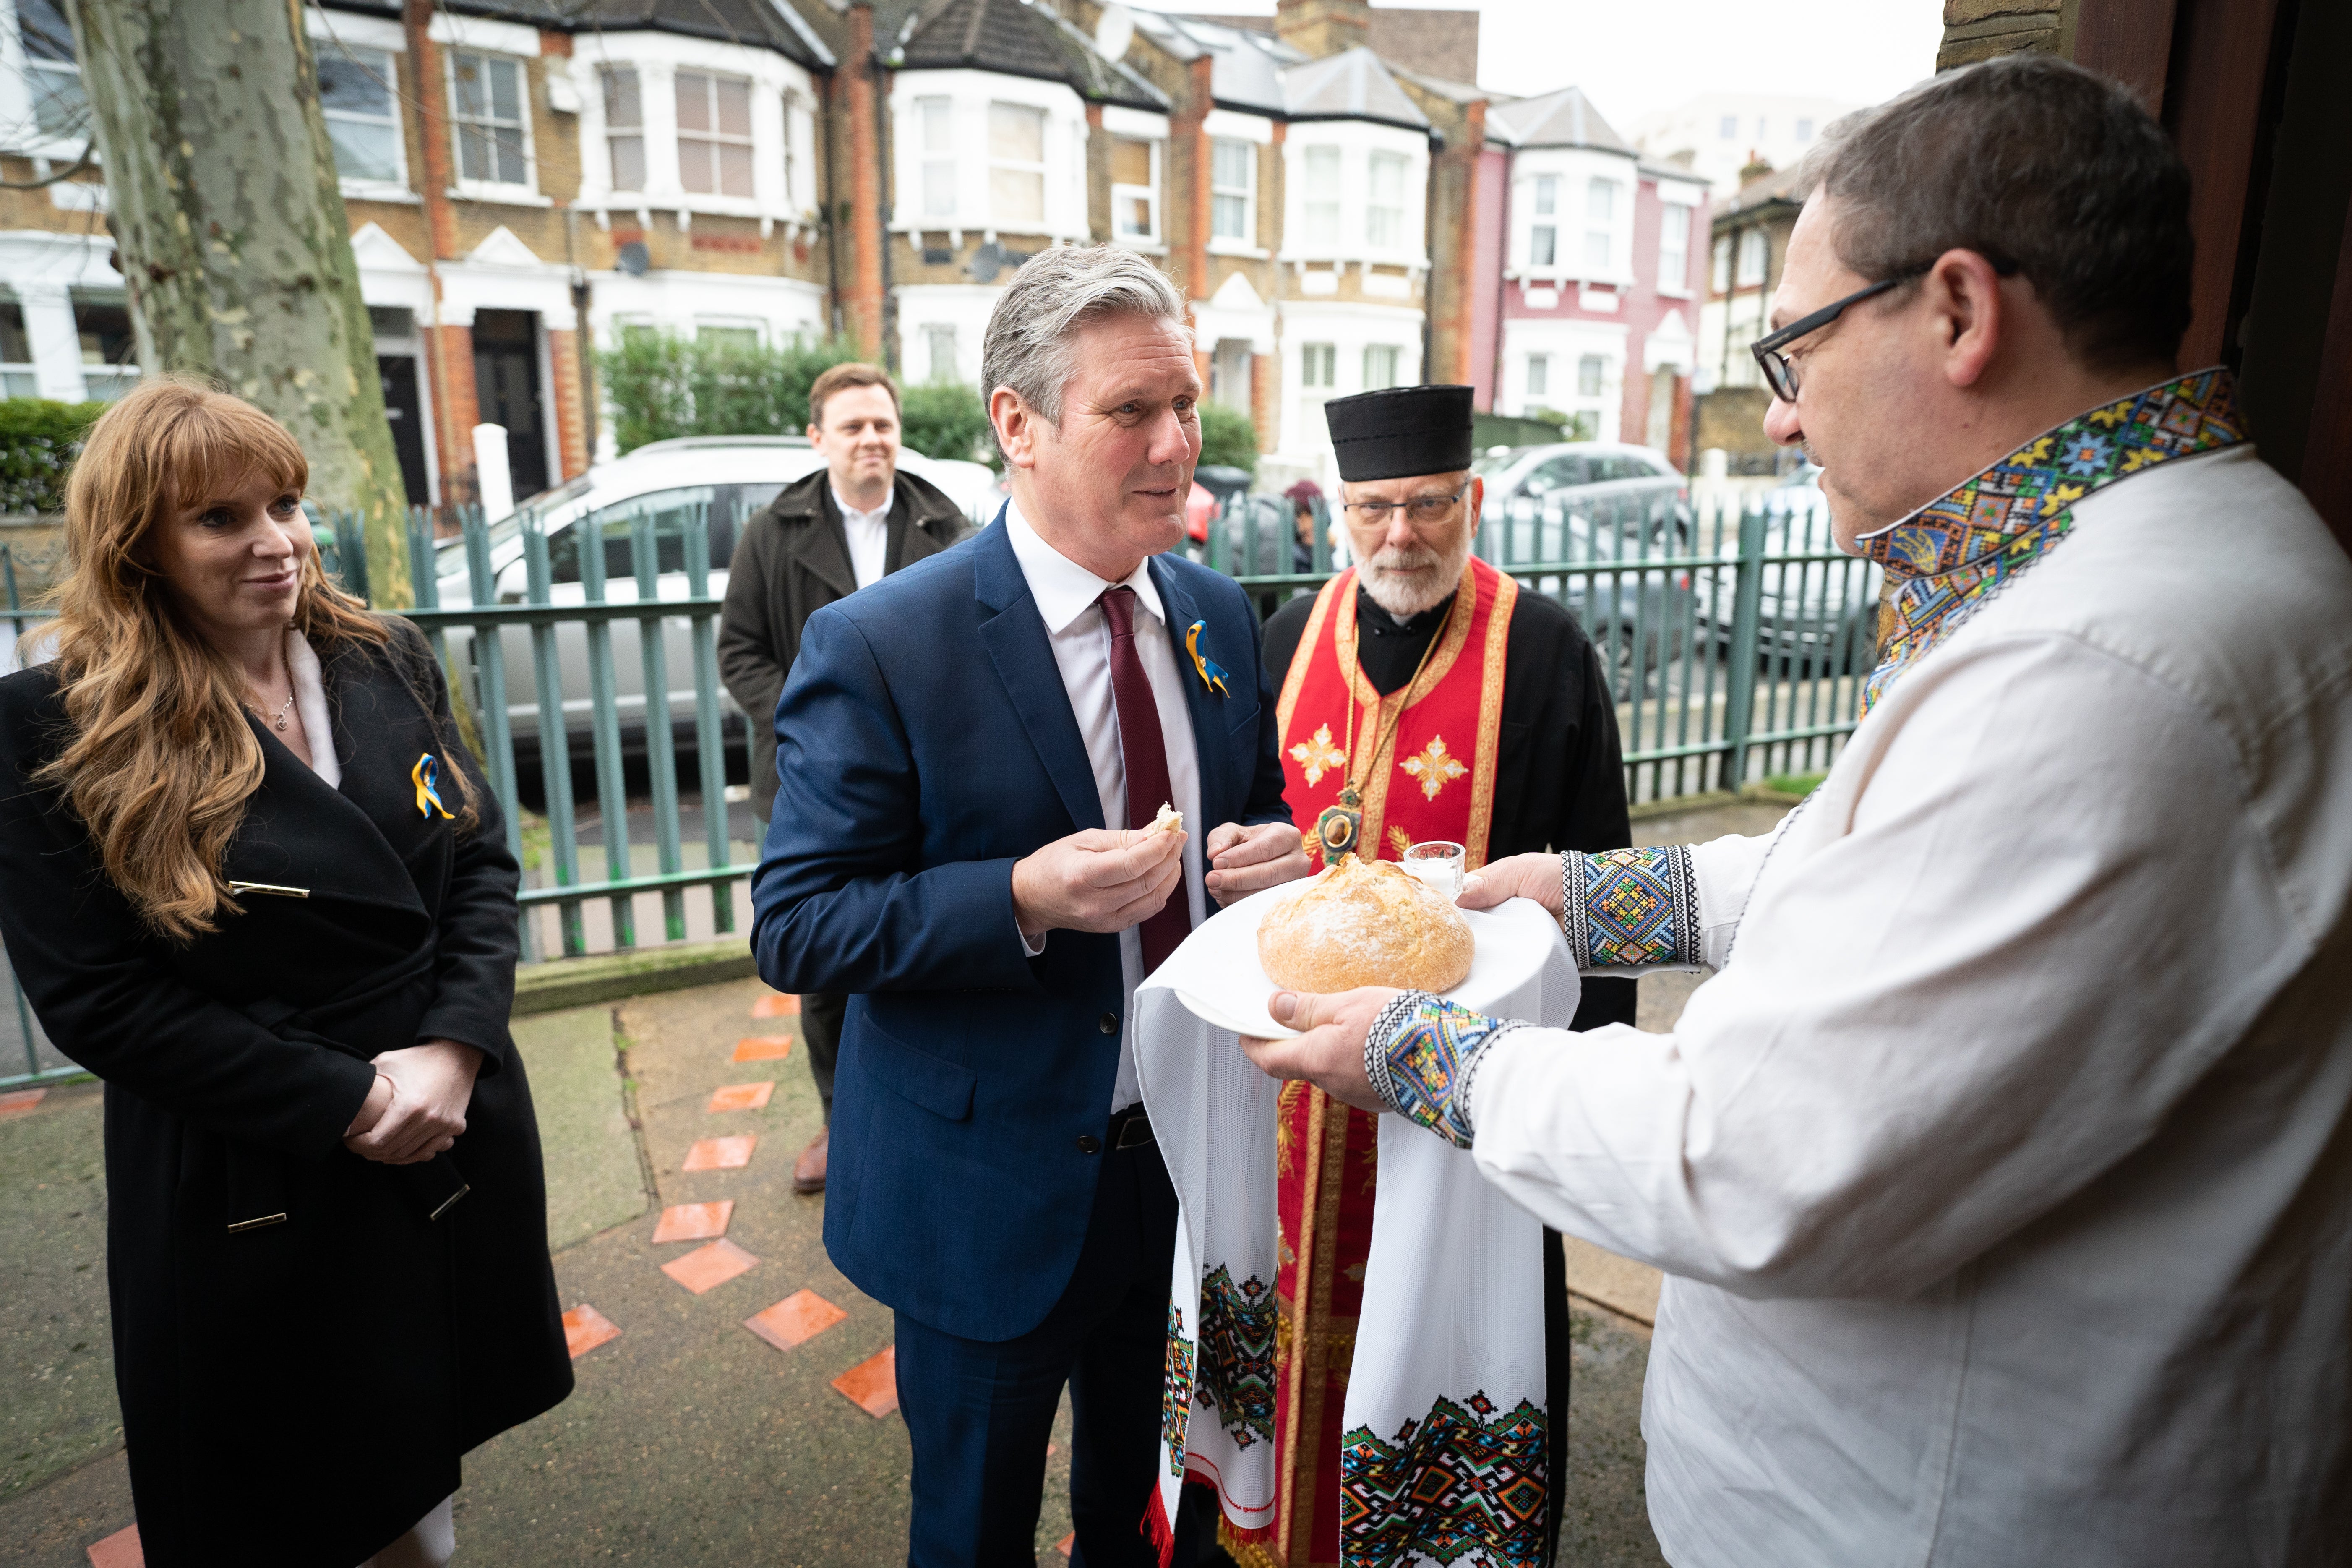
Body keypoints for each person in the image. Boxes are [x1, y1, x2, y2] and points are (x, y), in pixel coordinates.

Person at [1239, 54, 2352, 1566]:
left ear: (1956, 311)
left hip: (1937, 1508)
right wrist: (1598, 894)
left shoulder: (2091, 663)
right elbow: (1897, 876)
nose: (1773, 421)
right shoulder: (2175, 556)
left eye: (1792, 350)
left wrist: (1411, 1049)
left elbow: (1743, 1157)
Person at [750, 246, 1309, 1565]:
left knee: (1139, 1508)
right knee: (974, 1529)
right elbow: (797, 922)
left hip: (1179, 1163)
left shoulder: (1220, 614)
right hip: (984, 1190)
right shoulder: (886, 640)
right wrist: (1014, 897)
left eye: (1187, 405)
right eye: (1132, 412)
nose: (1178, 445)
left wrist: (1277, 860)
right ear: (1016, 424)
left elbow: (1257, 811)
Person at [0, 381, 571, 1567]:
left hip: (447, 1110)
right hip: (255, 1158)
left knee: (425, 1429)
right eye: (220, 519)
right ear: (138, 547)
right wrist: (351, 1101)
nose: (278, 542)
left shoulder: (385, 653)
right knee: (295, 1479)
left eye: (289, 504)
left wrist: (455, 1049)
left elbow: (478, 861)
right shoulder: (49, 725)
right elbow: (98, 997)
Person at [1245, 383, 1634, 1567]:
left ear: (1469, 499)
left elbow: (1598, 884)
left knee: (1448, 1323)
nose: (1397, 535)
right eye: (1372, 508)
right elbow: (1258, 838)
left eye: (1424, 505)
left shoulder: (1549, 652)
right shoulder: (1284, 640)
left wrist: (1580, 1098)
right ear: (1340, 510)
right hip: (1300, 1102)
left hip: (1474, 1101)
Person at [718, 361, 968, 1194]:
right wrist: (816, 721)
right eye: (853, 426)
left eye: (882, 425)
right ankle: (838, 1121)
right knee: (824, 962)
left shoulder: (944, 524)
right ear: (817, 437)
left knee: (922, 937)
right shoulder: (773, 532)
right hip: (811, 781)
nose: (871, 440)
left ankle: (921, 1109)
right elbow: (739, 651)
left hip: (928, 778)